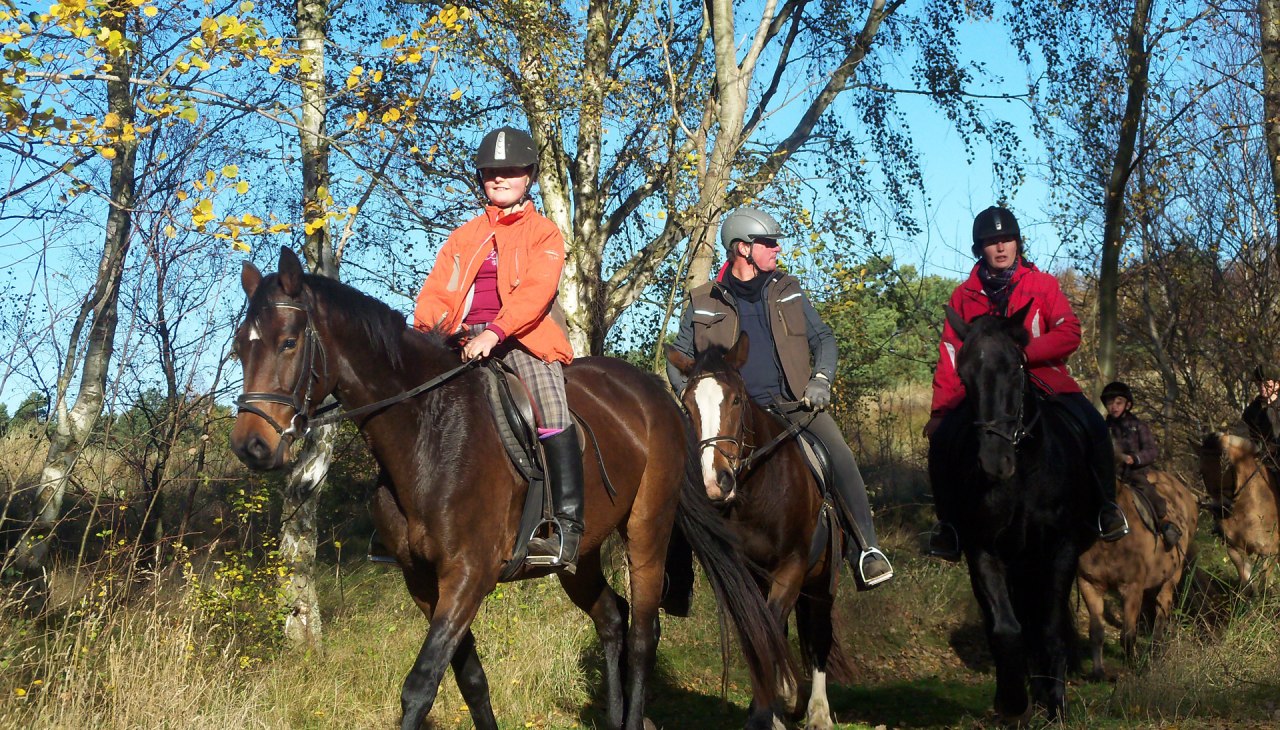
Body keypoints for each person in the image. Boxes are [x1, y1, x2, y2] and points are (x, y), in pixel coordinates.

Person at [666, 206, 893, 590]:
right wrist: (693, 402)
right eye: (768, 243)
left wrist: (821, 380)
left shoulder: (788, 289)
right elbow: (678, 357)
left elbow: (824, 340)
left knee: (840, 454)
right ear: (742, 248)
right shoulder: (703, 299)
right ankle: (676, 578)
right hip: (729, 418)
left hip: (793, 406)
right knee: (676, 471)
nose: (777, 249)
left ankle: (866, 550)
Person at [409, 125, 583, 573]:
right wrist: (429, 335)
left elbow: (536, 292)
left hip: (523, 338)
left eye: (511, 170)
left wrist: (496, 332)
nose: (500, 178)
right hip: (461, 339)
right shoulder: (463, 237)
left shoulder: (544, 233)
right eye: (491, 172)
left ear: (530, 177)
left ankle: (566, 525)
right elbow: (436, 293)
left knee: (551, 406)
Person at [924, 205, 1129, 561]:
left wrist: (1022, 355)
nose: (1000, 247)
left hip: (1044, 381)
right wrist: (941, 411)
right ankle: (949, 527)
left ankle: (1105, 508)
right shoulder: (963, 296)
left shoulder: (1043, 285)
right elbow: (950, 355)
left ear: (1018, 243)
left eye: (1007, 239)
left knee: (1095, 425)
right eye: (991, 242)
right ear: (980, 249)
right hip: (986, 394)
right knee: (942, 441)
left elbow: (1069, 331)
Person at [1101, 381, 1180, 548]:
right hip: (1110, 473)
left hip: (1133, 473)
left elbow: (1152, 450)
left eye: (1118, 402)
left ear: (1128, 405)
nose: (1114, 407)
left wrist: (1134, 458)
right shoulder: (1103, 428)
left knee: (1146, 489)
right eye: (1110, 403)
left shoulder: (1138, 426)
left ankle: (1165, 523)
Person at [1243, 364, 1280, 469]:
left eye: (1266, 383)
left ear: (1277, 384)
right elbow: (1247, 438)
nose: (1262, 387)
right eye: (1259, 384)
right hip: (1263, 461)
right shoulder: (1251, 411)